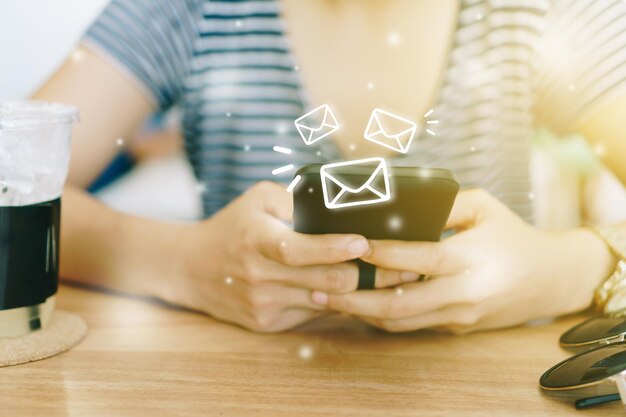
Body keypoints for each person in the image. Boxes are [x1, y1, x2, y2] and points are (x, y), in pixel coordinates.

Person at [34, 0, 626, 333]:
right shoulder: (190, 9)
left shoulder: (541, 13)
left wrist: (566, 269)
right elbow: (13, 184)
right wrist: (181, 263)